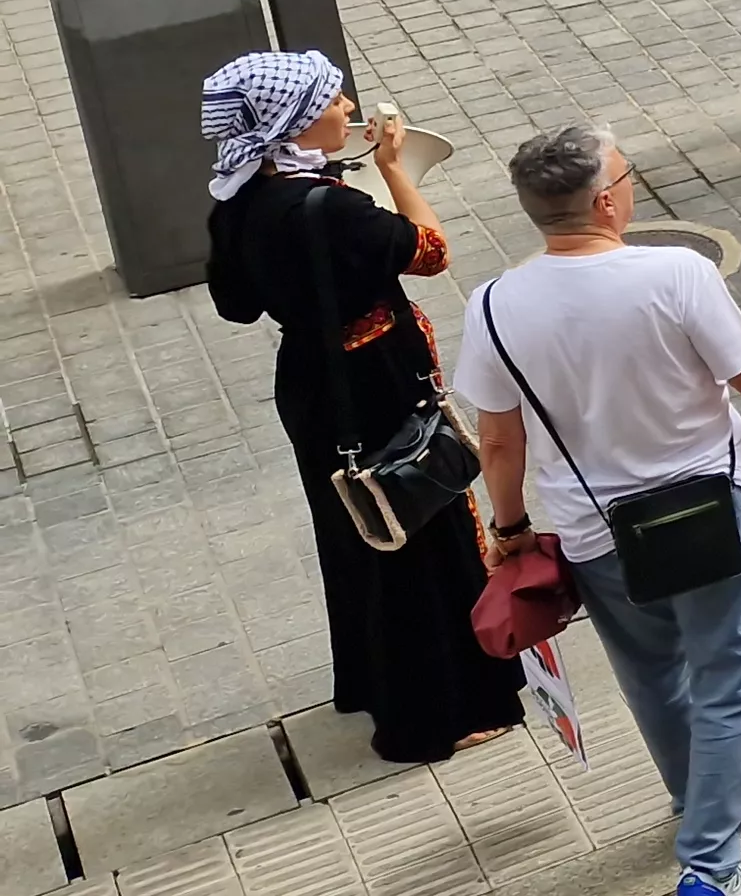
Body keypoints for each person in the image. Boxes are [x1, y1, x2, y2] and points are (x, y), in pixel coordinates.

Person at [457, 123, 741, 896]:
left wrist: (508, 529)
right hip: (706, 505)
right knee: (727, 675)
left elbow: (498, 440)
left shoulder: (494, 305)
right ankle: (710, 868)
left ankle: (692, 804)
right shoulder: (676, 273)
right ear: (606, 200)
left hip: (591, 528)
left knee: (651, 674)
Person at [199, 52, 527, 768]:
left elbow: (235, 304)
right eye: (331, 100)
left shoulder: (239, 201)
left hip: (312, 386)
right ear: (293, 119)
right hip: (375, 379)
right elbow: (432, 251)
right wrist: (397, 167)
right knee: (418, 531)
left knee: (356, 531)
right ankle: (439, 714)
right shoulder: (334, 208)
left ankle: (376, 686)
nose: (347, 105)